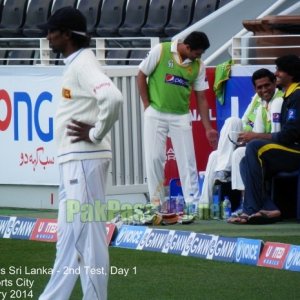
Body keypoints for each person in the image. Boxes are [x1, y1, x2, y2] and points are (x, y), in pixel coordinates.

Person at [38, 7, 123, 300]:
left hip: (84, 160)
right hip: (75, 162)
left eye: (52, 31)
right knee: (69, 241)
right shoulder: (77, 62)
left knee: (87, 239)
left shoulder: (83, 63)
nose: (48, 36)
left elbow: (112, 97)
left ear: (66, 35)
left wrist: (96, 132)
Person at [137, 31, 218, 210]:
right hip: (155, 112)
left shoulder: (198, 66)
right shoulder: (161, 50)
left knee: (187, 160)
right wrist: (147, 106)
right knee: (154, 158)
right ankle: (157, 203)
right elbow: (141, 74)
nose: (199, 57)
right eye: (197, 53)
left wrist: (208, 128)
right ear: (187, 47)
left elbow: (201, 97)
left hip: (181, 115)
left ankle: (193, 203)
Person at [228, 54, 300, 224]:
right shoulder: (289, 95)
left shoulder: (297, 95)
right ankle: (264, 208)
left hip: (296, 150)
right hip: (291, 148)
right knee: (244, 162)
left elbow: (288, 136)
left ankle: (254, 209)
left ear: (290, 73)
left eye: (279, 70)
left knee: (254, 146)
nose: (276, 74)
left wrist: (255, 136)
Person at [200, 68, 283, 210]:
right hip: (250, 142)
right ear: (255, 88)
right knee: (218, 149)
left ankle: (246, 204)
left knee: (238, 154)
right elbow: (244, 122)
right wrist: (243, 138)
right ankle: (204, 206)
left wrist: (251, 139)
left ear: (275, 83)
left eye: (267, 85)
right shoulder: (258, 99)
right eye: (260, 87)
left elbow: (276, 134)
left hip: (266, 147)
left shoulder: (279, 100)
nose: (264, 90)